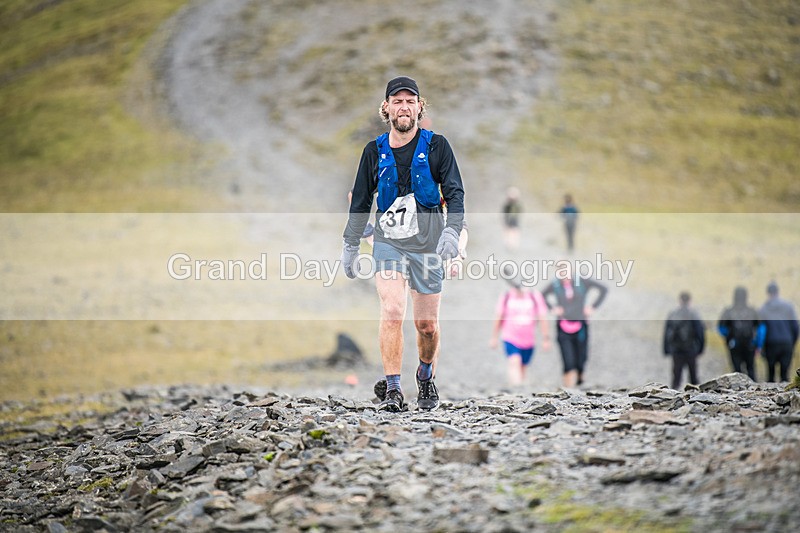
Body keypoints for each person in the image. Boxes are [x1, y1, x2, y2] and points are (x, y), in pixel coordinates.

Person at [341, 76, 465, 412]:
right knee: (393, 311)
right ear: (387, 108)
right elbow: (361, 200)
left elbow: (455, 193)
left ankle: (425, 375)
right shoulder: (374, 151)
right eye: (397, 101)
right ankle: (393, 389)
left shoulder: (438, 147)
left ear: (419, 107)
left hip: (429, 245)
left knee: (427, 326)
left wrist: (452, 232)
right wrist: (351, 244)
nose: (404, 107)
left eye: (410, 101)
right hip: (389, 243)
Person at [541, 268, 608, 388]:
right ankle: (568, 389)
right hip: (563, 326)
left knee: (581, 359)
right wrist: (553, 308)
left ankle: (580, 382)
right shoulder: (556, 285)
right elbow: (541, 295)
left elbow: (603, 289)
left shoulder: (582, 282)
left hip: (581, 325)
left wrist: (592, 307)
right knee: (568, 361)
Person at [489, 268, 551, 387]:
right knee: (514, 362)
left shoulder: (534, 296)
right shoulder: (507, 296)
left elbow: (543, 318)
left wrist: (545, 338)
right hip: (510, 337)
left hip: (528, 340)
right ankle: (516, 387)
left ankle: (520, 390)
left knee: (523, 366)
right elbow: (499, 317)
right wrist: (494, 337)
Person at [663, 291, 705, 390]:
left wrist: (666, 349)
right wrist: (701, 348)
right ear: (690, 301)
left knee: (676, 377)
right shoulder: (694, 314)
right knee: (693, 376)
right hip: (691, 350)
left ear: (680, 300)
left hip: (676, 350)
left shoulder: (673, 314)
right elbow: (700, 332)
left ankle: (673, 394)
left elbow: (667, 332)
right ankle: (696, 394)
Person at [757, 281, 798, 382]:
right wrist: (792, 342)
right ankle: (786, 391)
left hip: (771, 344)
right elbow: (796, 327)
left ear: (768, 292)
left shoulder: (763, 309)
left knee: (770, 373)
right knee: (785, 374)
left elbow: (760, 330)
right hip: (787, 342)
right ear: (777, 291)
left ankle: (770, 391)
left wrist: (760, 346)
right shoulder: (788, 306)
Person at [717, 286, 760, 380]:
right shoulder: (751, 311)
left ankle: (738, 387)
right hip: (749, 344)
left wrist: (729, 338)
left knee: (736, 370)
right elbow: (760, 328)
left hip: (734, 345)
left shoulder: (728, 311)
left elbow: (721, 328)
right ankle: (753, 387)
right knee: (751, 369)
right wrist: (757, 344)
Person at [502, 186, 522, 251]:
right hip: (509, 220)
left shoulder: (516, 205)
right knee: (509, 232)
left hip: (514, 220)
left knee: (513, 232)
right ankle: (510, 245)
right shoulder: (508, 205)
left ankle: (513, 245)